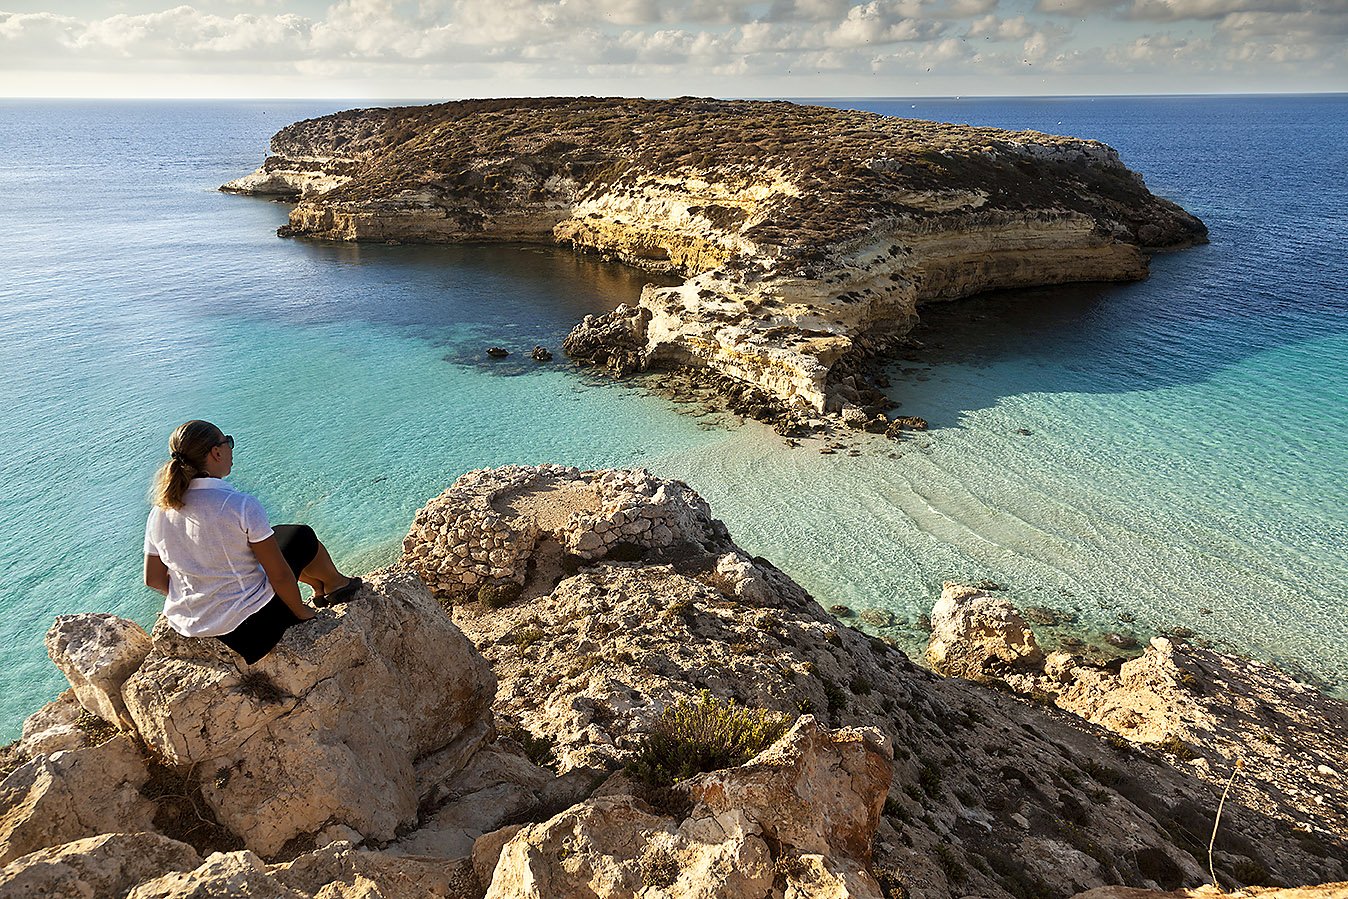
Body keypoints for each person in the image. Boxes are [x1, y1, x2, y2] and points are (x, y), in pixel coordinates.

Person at [143, 420, 361, 664]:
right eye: (228, 442)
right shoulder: (239, 505)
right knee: (301, 536)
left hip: (193, 627)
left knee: (276, 535)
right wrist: (301, 611)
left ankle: (321, 588)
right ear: (216, 452)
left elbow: (153, 579)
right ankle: (335, 585)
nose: (230, 449)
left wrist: (202, 591)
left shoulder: (160, 511)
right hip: (252, 632)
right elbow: (278, 574)